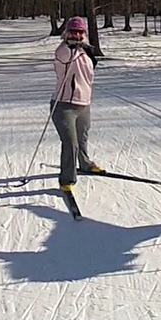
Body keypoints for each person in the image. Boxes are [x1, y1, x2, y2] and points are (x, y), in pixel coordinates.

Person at [51, 16, 103, 192]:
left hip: (83, 103)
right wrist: (71, 45)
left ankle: (85, 164)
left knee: (82, 138)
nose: (77, 35)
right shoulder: (64, 50)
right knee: (70, 142)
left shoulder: (86, 51)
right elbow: (64, 56)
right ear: (66, 33)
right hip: (64, 105)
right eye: (73, 32)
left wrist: (83, 47)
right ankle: (67, 179)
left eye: (80, 32)